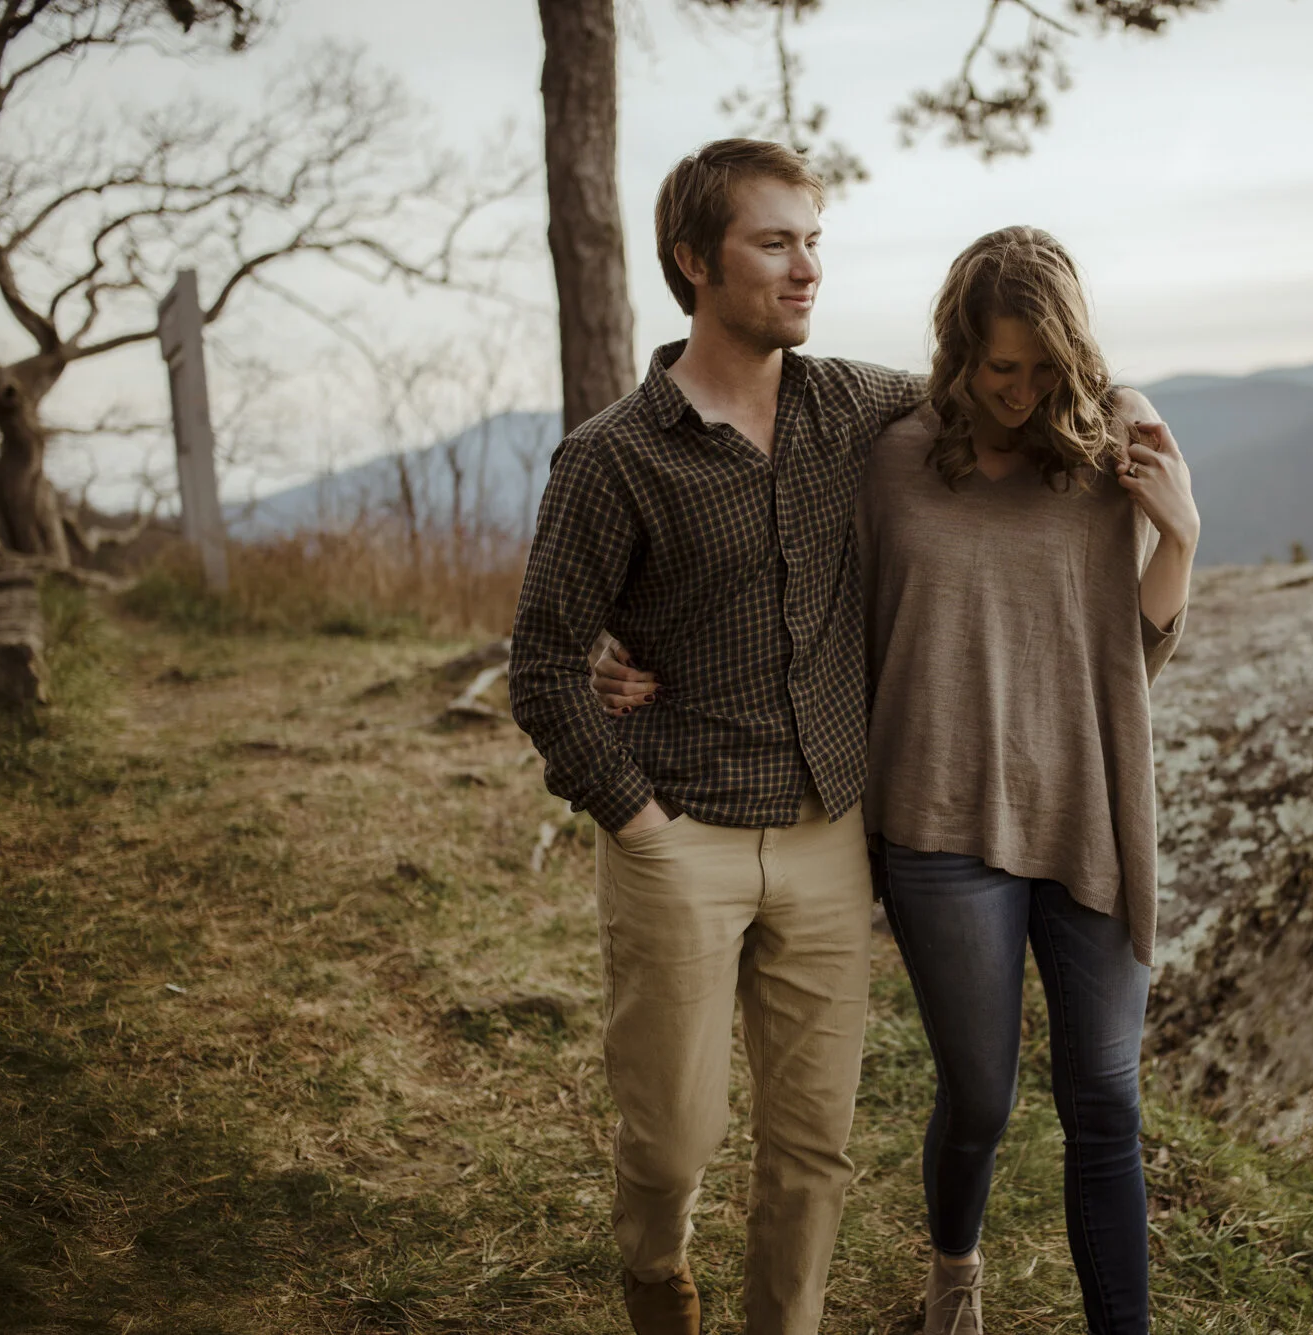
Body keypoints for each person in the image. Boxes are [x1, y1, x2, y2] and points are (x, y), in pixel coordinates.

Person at [595, 225, 1200, 1335]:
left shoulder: (1117, 438)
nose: (1017, 393)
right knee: (979, 1094)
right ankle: (952, 1275)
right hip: (938, 821)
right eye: (995, 368)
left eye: (1039, 369)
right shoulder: (890, 455)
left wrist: (1181, 540)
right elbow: (783, 596)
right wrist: (629, 648)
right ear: (956, 354)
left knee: (1104, 1102)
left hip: (1089, 813)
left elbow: (1131, 654)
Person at [508, 138, 927, 1335]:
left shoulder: (849, 404)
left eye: (813, 242)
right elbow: (541, 662)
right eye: (773, 243)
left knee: (816, 1143)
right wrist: (634, 818)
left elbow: (995, 391)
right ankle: (654, 1270)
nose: (805, 270)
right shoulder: (611, 458)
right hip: (677, 832)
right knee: (672, 1132)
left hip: (824, 835)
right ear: (695, 261)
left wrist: (1128, 419)